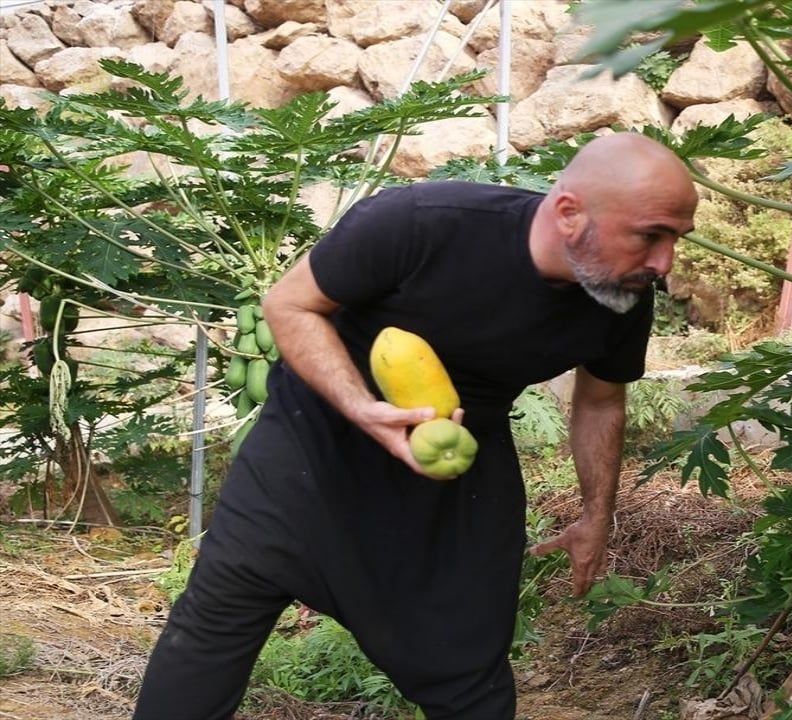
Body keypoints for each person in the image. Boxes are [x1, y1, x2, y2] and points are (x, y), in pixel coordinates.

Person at [132, 132, 700, 720]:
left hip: (454, 474)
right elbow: (288, 305)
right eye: (648, 235)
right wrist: (360, 406)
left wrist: (595, 515)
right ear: (568, 213)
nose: (664, 264)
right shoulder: (421, 223)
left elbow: (601, 401)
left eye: (674, 240)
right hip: (313, 448)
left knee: (468, 676)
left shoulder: (621, 295)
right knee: (211, 632)